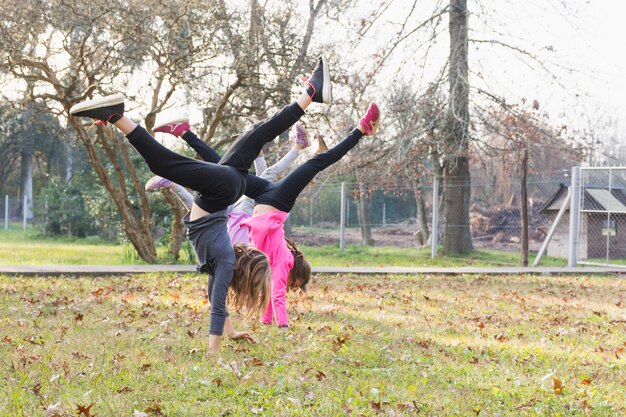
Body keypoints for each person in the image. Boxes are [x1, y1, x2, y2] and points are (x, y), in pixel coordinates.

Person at [68, 56, 332, 352]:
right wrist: (213, 353)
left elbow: (217, 306)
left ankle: (311, 93)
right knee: (163, 162)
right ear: (241, 277)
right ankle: (117, 116)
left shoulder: (219, 265)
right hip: (222, 191)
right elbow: (218, 309)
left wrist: (233, 336)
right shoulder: (223, 264)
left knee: (259, 133)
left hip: (227, 188)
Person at [242, 101, 380, 327]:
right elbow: (276, 295)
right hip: (277, 200)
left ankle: (187, 135)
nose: (291, 288)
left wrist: (266, 322)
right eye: (295, 285)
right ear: (294, 274)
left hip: (264, 198)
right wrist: (282, 325)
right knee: (316, 165)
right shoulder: (284, 262)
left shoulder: (273, 264)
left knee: (226, 175)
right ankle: (361, 130)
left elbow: (267, 296)